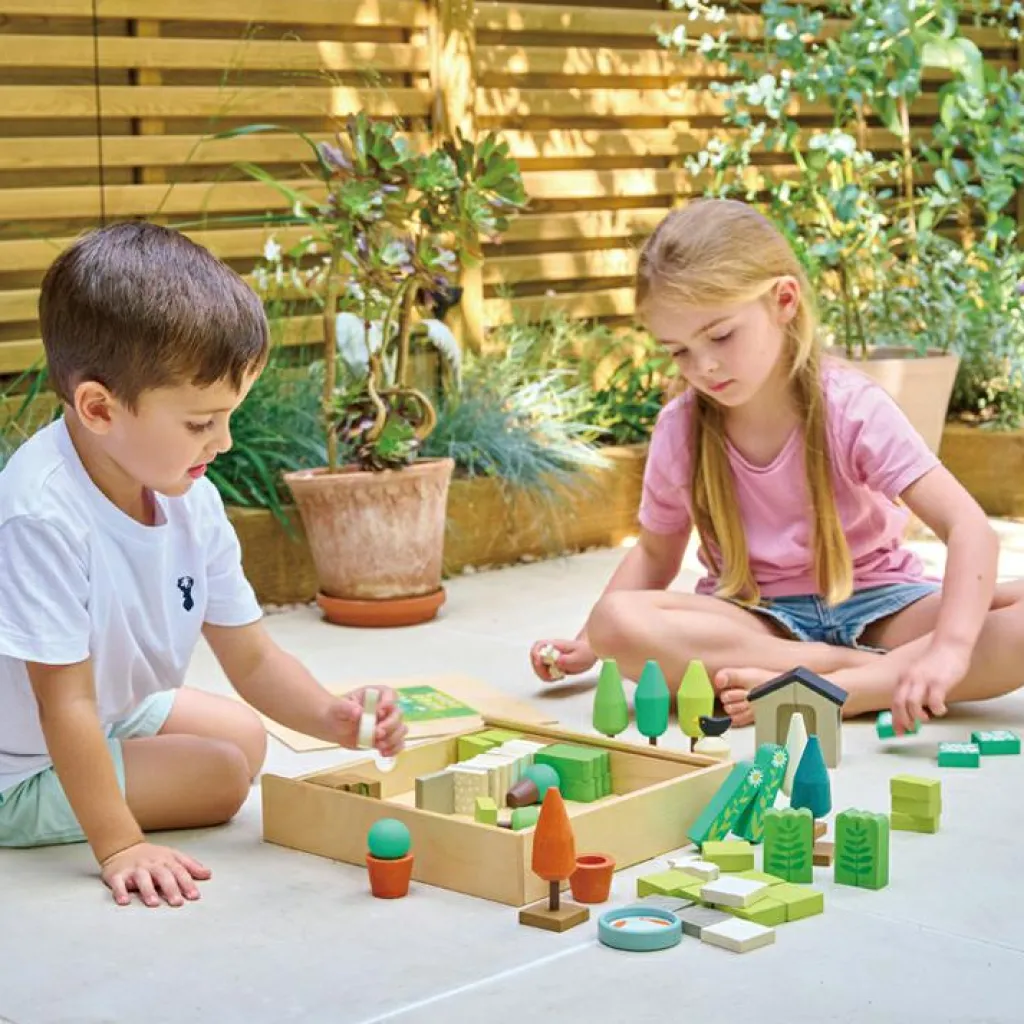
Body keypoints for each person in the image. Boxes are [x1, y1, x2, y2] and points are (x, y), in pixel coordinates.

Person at [0, 222, 407, 908]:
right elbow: (62, 704)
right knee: (220, 776)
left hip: (108, 710)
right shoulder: (40, 514)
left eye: (228, 417)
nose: (223, 442)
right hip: (20, 763)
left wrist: (329, 715)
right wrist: (121, 845)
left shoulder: (189, 495)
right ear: (99, 408)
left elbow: (253, 658)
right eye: (200, 423)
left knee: (246, 739)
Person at [531, 198, 1024, 736]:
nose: (704, 366)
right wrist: (590, 642)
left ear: (783, 300)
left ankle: (847, 687)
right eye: (679, 351)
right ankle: (848, 673)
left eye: (721, 335)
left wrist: (950, 648)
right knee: (615, 621)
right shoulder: (681, 429)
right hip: (754, 621)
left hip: (883, 606)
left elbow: (968, 527)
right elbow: (654, 554)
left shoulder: (851, 407)